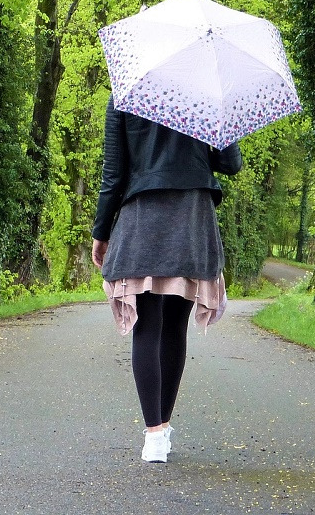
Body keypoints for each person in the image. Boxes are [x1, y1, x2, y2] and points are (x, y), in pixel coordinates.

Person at [91, 96, 242, 463]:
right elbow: (230, 163)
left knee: (147, 323)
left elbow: (114, 172)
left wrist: (101, 230)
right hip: (191, 212)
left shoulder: (125, 95)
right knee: (175, 325)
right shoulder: (205, 95)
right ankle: (163, 428)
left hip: (143, 211)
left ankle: (154, 434)